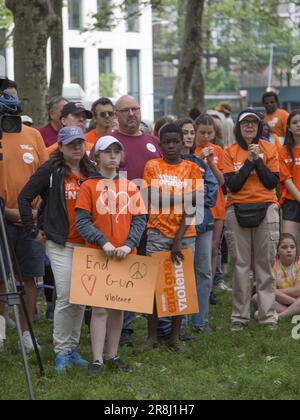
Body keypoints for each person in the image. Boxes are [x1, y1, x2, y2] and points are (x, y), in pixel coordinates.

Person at [18, 126, 97, 371]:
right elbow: (24, 197)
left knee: (81, 297)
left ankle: (72, 349)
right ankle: (61, 351)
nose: (76, 147)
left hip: (87, 244)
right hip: (60, 242)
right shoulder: (50, 170)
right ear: (60, 147)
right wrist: (32, 229)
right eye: (71, 143)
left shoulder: (91, 171)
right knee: (64, 294)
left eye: (80, 143)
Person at [75, 136, 147, 375]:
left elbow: (139, 219)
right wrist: (103, 242)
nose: (113, 156)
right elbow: (83, 222)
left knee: (118, 309)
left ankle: (113, 354)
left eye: (117, 151)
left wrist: (128, 245)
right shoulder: (87, 186)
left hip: (125, 255)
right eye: (107, 152)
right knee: (99, 309)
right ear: (96, 157)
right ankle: (97, 359)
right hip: (98, 255)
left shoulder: (130, 186)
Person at [142, 123, 203, 351]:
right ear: (160, 143)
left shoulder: (191, 168)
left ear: (182, 143)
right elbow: (152, 198)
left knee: (180, 285)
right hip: (157, 232)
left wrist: (177, 239)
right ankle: (152, 337)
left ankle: (175, 337)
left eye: (175, 141)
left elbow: (193, 205)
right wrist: (181, 200)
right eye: (166, 142)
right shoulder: (152, 166)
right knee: (154, 286)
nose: (170, 146)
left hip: (185, 235)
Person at [0, 82, 48, 353]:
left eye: (14, 98)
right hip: (2, 217)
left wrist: (32, 212)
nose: (11, 103)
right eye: (6, 98)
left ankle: (27, 335)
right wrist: (7, 211)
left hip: (30, 219)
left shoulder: (33, 135)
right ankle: (1, 332)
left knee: (29, 277)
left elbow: (44, 176)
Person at [112, 95, 162, 346]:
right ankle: (125, 330)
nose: (132, 114)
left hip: (154, 221)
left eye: (135, 109)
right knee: (126, 274)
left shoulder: (154, 142)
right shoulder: (110, 143)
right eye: (125, 110)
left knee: (151, 273)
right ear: (116, 115)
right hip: (122, 220)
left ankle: (160, 328)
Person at [223, 109, 279, 331]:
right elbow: (232, 186)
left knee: (264, 265)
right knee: (240, 266)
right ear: (238, 127)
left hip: (266, 208)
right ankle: (240, 317)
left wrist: (258, 161)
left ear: (259, 127)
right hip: (237, 209)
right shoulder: (230, 151)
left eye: (253, 123)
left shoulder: (270, 148)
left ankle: (268, 316)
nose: (249, 127)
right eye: (244, 123)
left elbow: (271, 183)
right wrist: (249, 161)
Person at [179, 118, 218, 333]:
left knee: (203, 271)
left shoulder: (201, 163)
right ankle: (181, 322)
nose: (189, 136)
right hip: (181, 225)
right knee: (183, 273)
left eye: (191, 132)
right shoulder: (169, 163)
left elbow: (212, 188)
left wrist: (195, 201)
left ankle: (200, 321)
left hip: (203, 222)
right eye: (184, 132)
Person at [194, 115, 226, 292]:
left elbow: (222, 182)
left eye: (210, 133)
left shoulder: (218, 150)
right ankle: (197, 285)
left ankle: (209, 287)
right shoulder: (192, 150)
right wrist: (199, 158)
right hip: (198, 204)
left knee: (214, 247)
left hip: (217, 204)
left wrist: (212, 163)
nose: (206, 137)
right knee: (198, 250)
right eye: (202, 133)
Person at [252, 234, 300, 319]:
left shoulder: (298, 263)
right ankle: (293, 311)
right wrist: (294, 303)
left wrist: (275, 292)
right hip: (282, 300)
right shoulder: (273, 264)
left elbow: (297, 291)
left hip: (296, 298)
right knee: (256, 297)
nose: (289, 250)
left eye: (292, 247)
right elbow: (270, 290)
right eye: (284, 247)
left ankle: (279, 315)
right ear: (277, 251)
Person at [279, 110, 300, 239]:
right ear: (289, 128)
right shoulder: (283, 151)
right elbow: (286, 180)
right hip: (291, 202)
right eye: (295, 122)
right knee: (288, 245)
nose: (298, 125)